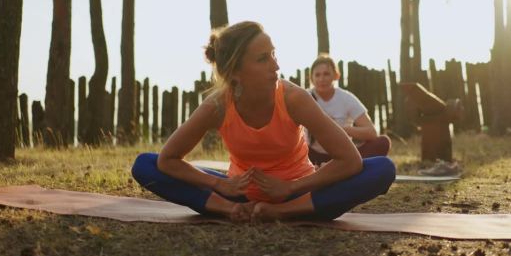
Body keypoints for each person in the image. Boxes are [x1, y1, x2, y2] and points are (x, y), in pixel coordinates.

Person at [131, 21, 395, 222]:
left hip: (296, 191)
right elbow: (168, 160)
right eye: (262, 59)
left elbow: (350, 160)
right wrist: (220, 185)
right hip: (237, 192)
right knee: (145, 164)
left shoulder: (294, 98)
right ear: (235, 72)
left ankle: (279, 212)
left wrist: (290, 188)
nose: (276, 66)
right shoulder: (218, 105)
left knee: (382, 169)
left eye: (273, 54)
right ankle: (232, 211)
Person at [306, 54, 392, 166]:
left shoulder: (346, 98)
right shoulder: (305, 96)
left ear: (336, 75)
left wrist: (341, 129)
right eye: (317, 75)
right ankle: (323, 170)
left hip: (343, 155)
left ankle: (341, 168)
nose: (322, 79)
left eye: (326, 74)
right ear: (311, 78)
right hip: (311, 154)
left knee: (382, 142)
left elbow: (371, 132)